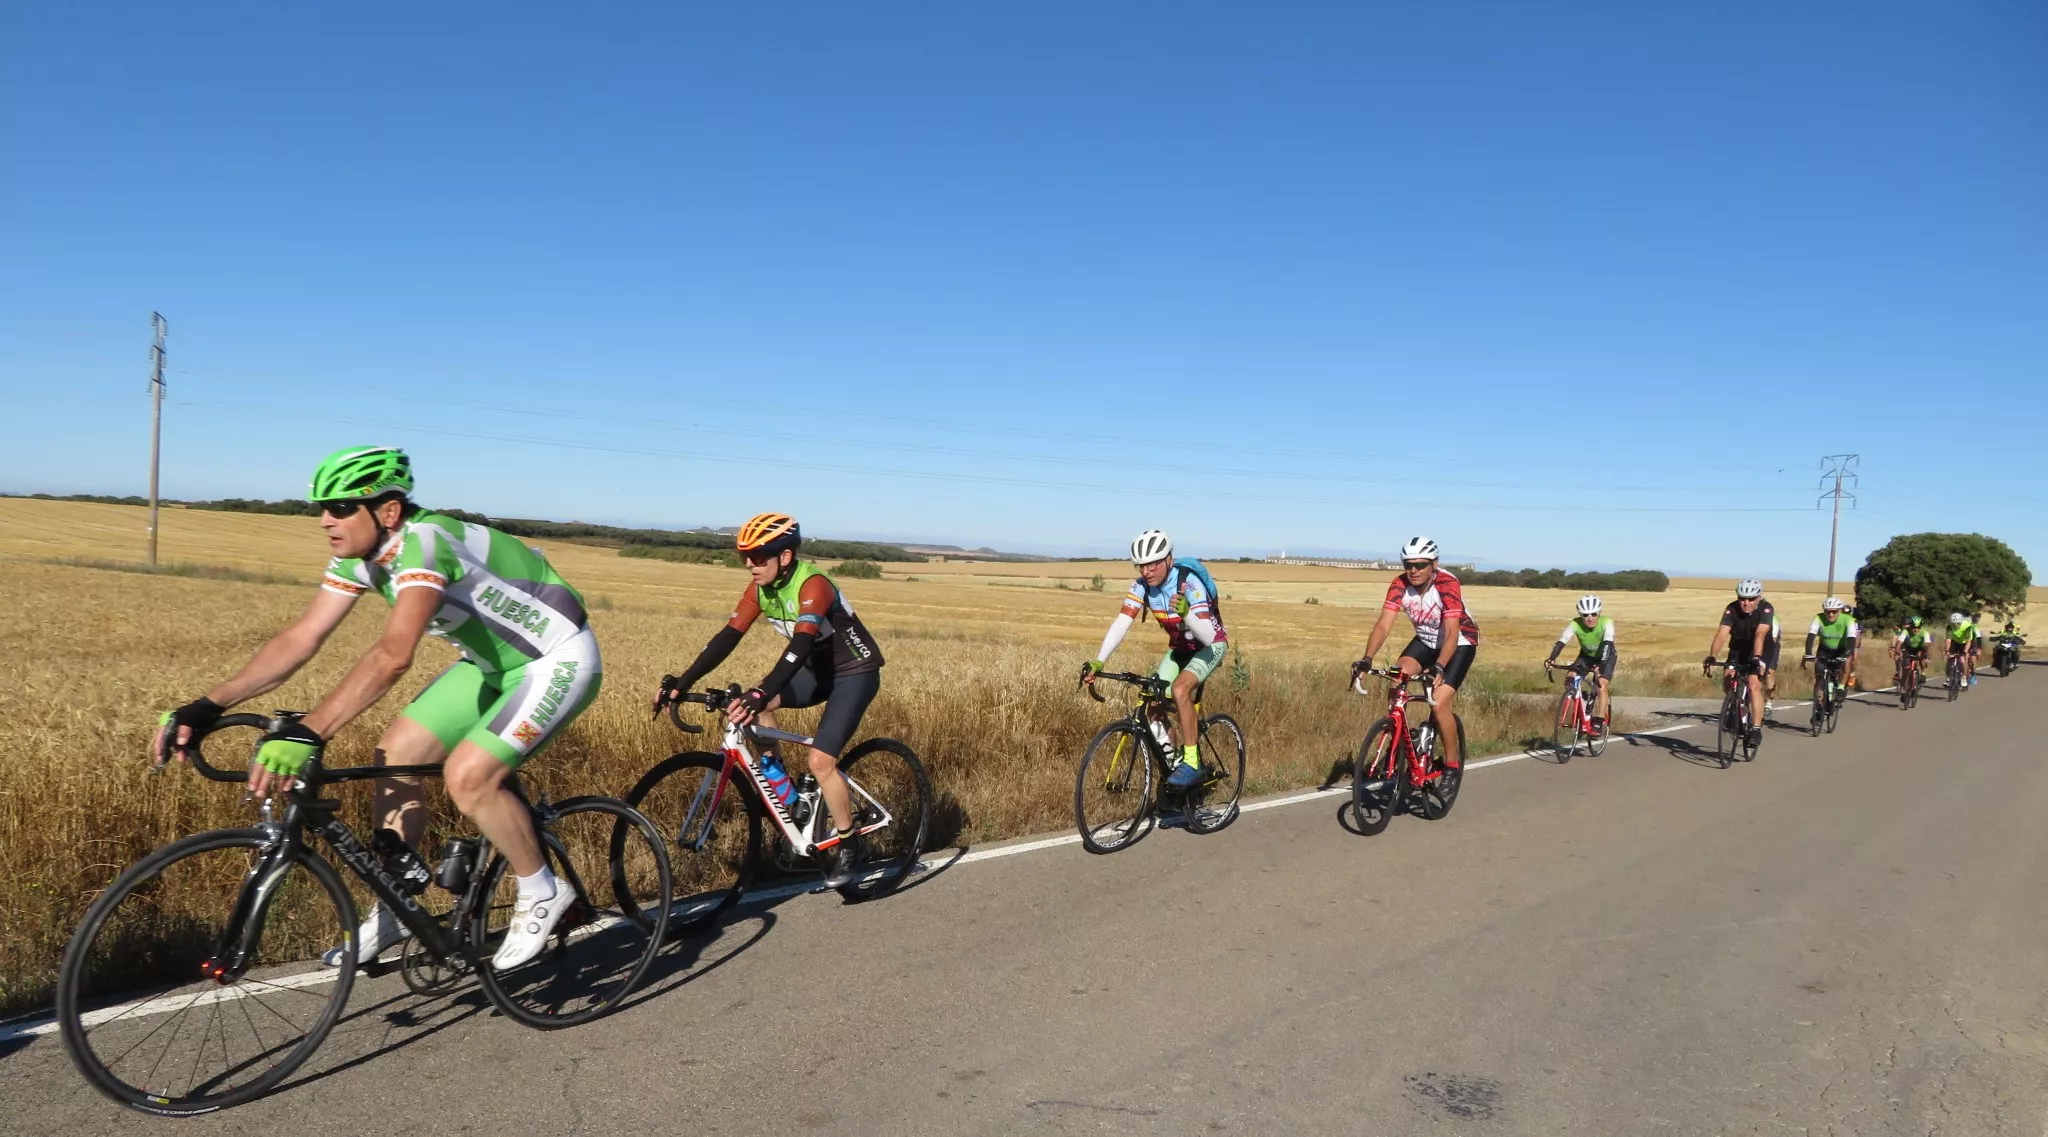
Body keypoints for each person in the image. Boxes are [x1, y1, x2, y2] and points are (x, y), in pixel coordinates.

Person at [152, 447, 603, 970]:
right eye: (322, 508)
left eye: (342, 507)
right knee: (395, 754)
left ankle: (542, 889)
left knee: (469, 777)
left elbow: (393, 656)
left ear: (388, 511)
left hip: (555, 661)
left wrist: (310, 732)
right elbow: (302, 639)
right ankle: (396, 907)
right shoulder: (358, 557)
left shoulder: (426, 544)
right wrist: (207, 705)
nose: (326, 519)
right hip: (489, 667)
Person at [653, 513, 884, 887]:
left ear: (785, 556)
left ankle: (849, 843)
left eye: (758, 557)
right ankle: (786, 793)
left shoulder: (813, 585)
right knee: (749, 711)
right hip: (815, 670)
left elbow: (801, 644)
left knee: (820, 761)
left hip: (854, 671)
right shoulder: (761, 588)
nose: (749, 564)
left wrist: (762, 693)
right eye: (744, 556)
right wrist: (683, 681)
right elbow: (728, 636)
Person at [1081, 529, 1228, 790]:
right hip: (1180, 649)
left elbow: (1207, 636)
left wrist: (1187, 613)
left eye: (1153, 564)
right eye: (1141, 566)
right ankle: (1173, 767)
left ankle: (1191, 762)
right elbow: (1121, 623)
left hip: (1210, 646)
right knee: (1153, 703)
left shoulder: (1188, 583)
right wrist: (1099, 660)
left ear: (1169, 559)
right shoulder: (1141, 587)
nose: (1146, 571)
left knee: (1180, 690)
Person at [1357, 537, 1478, 771]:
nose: (1413, 570)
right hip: (1425, 641)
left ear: (1434, 564)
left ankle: (1451, 766)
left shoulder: (1447, 583)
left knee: (1439, 703)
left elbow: (1452, 632)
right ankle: (1399, 742)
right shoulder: (1399, 584)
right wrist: (1367, 659)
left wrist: (1439, 666)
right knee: (1396, 676)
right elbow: (1383, 625)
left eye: (1421, 565)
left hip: (1459, 643)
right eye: (1408, 565)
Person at [1705, 579, 1772, 746]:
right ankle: (1734, 706)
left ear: (1759, 598)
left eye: (1751, 599)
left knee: (1753, 685)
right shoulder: (1732, 609)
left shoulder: (1766, 608)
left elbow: (1760, 635)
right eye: (1742, 598)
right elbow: (1722, 633)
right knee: (1728, 678)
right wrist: (1712, 656)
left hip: (1760, 649)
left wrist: (1757, 658)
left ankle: (1756, 729)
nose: (1746, 603)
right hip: (1738, 648)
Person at [1544, 595, 1614, 728]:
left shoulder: (1606, 622)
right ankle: (1582, 702)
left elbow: (1607, 645)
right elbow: (1562, 641)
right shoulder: (1575, 623)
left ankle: (1599, 721)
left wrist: (1601, 665)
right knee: (1570, 680)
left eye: (1594, 614)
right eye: (1585, 615)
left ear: (1599, 613)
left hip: (1607, 656)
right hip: (1586, 656)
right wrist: (1551, 658)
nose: (1590, 618)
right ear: (1580, 615)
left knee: (1601, 684)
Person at [1801, 597, 1860, 700]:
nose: (1831, 614)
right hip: (1825, 649)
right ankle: (1818, 703)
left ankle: (1841, 687)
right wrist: (1808, 653)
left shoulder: (1848, 619)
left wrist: (1846, 654)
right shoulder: (1819, 618)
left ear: (1840, 611)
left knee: (1846, 663)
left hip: (1842, 649)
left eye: (1834, 611)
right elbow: (1811, 635)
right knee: (1819, 676)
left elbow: (1851, 638)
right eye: (1827, 612)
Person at [1890, 615, 1933, 689]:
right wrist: (1897, 651)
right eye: (1913, 627)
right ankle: (1905, 682)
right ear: (1911, 625)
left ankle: (1923, 673)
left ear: (1921, 627)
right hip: (1909, 648)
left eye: (1918, 627)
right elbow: (1899, 642)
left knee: (1921, 658)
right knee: (1906, 665)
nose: (1915, 629)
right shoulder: (1905, 631)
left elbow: (1927, 644)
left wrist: (1925, 653)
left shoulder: (1925, 632)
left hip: (1920, 648)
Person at [1947, 611, 1982, 686]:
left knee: (1972, 659)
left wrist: (1979, 648)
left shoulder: (1973, 627)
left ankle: (1972, 674)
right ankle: (1951, 676)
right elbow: (1949, 639)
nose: (1956, 625)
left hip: (1972, 643)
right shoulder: (1954, 626)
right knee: (1952, 657)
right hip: (1960, 642)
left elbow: (1978, 638)